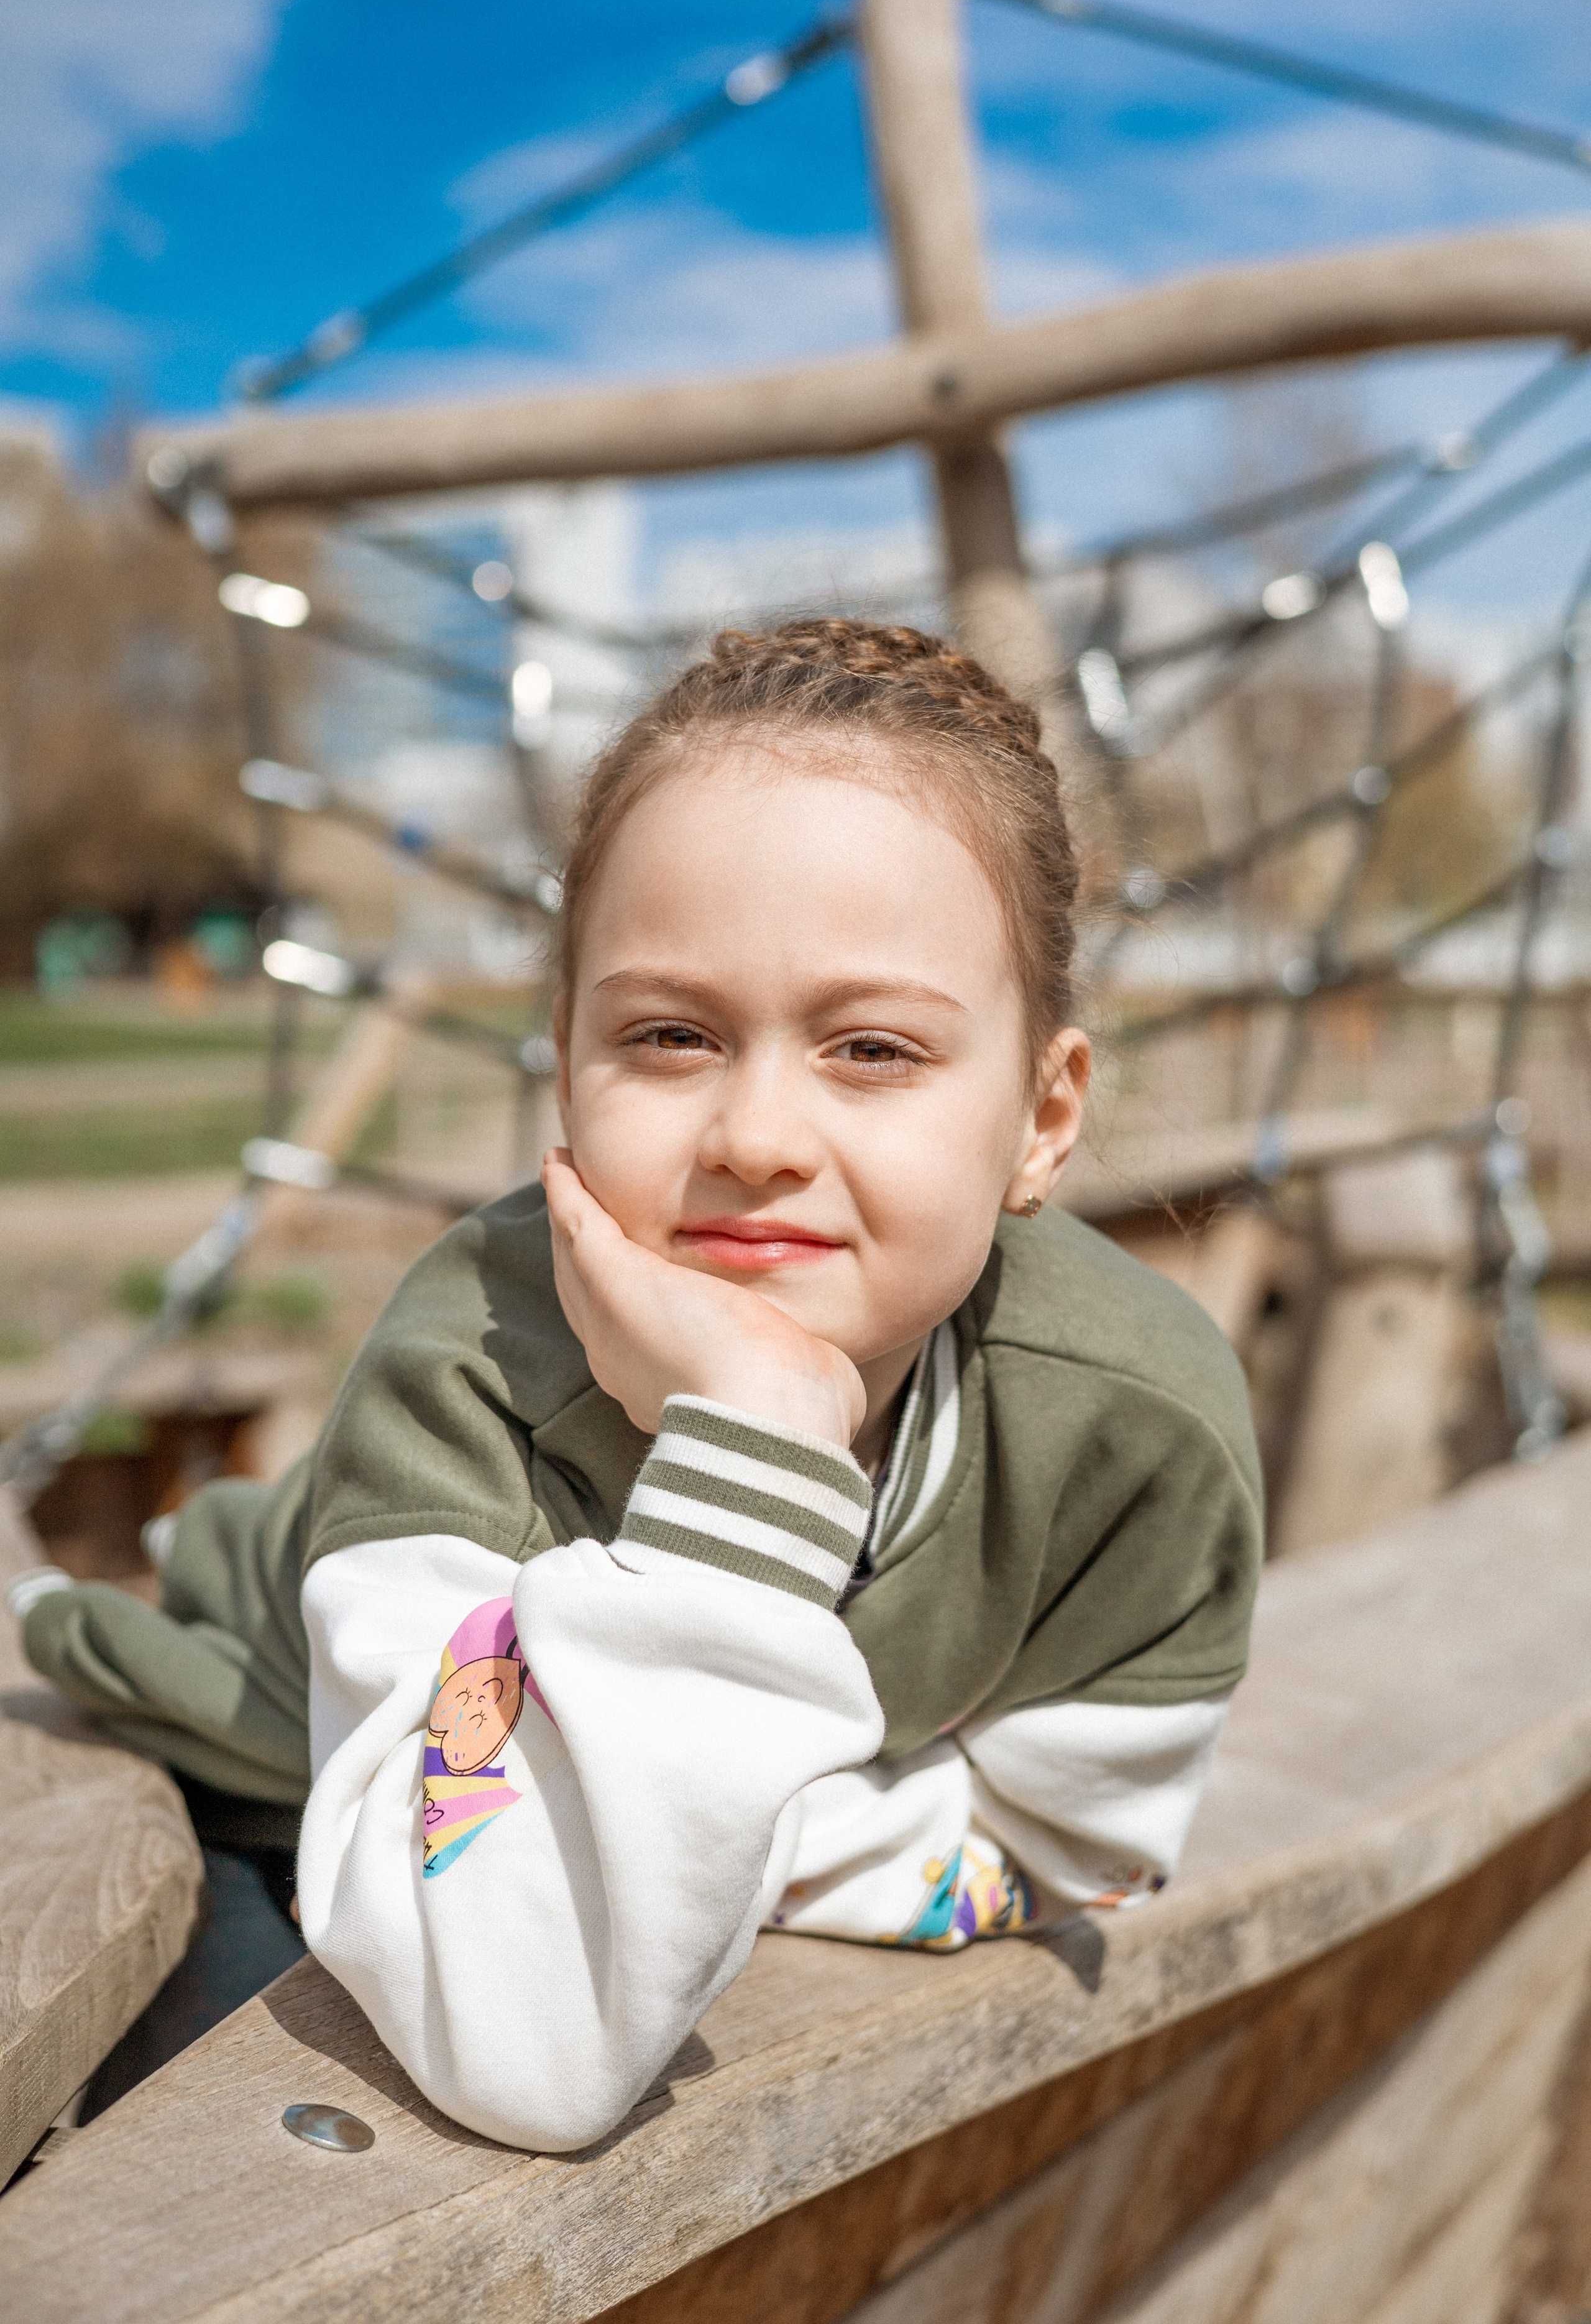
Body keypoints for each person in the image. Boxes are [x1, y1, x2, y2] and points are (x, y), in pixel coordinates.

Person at [11, 620, 1262, 2151]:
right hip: (256, 1788)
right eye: (669, 1035)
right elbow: (520, 2035)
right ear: (565, 1061)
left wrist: (713, 1836)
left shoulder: (1141, 1431)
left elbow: (1077, 1855)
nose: (753, 1133)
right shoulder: (471, 1360)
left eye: (871, 1049)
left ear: (1040, 1119)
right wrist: (759, 1450)